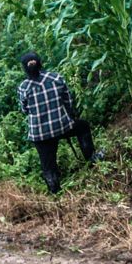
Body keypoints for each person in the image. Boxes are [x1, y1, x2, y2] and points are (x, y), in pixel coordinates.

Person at [17, 51, 103, 194]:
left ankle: (55, 190)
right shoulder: (55, 78)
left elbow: (25, 110)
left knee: (48, 165)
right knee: (82, 126)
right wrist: (68, 116)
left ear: (24, 68)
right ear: (40, 62)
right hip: (62, 126)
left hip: (40, 135)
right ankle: (91, 157)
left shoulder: (23, 87)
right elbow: (68, 101)